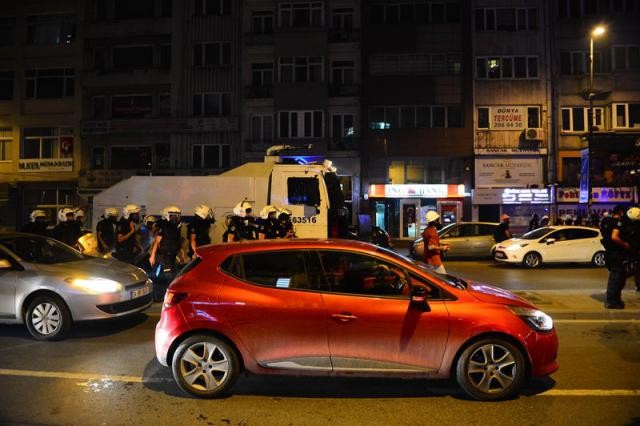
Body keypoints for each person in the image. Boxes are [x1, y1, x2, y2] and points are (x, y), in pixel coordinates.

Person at [600, 205, 631, 309]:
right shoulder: (618, 223)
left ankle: (614, 300)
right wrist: (625, 244)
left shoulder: (606, 222)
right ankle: (612, 301)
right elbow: (614, 237)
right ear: (621, 212)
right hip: (616, 254)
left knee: (614, 277)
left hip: (609, 253)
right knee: (617, 278)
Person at [150, 206, 184, 271]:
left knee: (173, 269)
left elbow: (178, 240)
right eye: (173, 216)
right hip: (165, 253)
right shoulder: (164, 227)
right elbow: (157, 242)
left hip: (174, 252)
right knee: (167, 271)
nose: (175, 218)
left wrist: (182, 253)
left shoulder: (177, 227)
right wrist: (152, 256)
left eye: (177, 216)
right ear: (167, 216)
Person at [622, 206, 640, 292]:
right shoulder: (635, 227)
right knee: (636, 269)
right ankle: (623, 277)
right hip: (635, 251)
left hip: (630, 251)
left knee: (636, 269)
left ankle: (638, 285)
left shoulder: (626, 225)